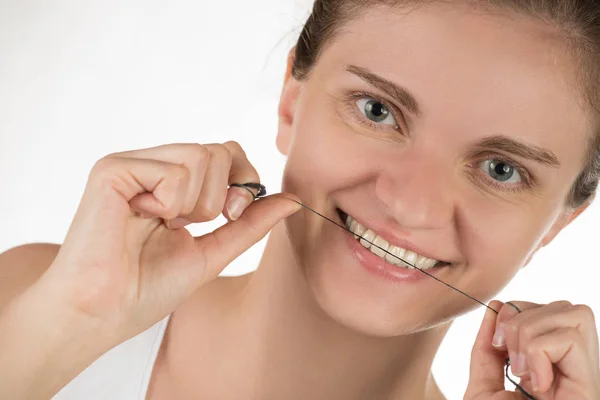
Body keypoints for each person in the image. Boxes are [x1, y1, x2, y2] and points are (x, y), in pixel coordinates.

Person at [1, 0, 600, 399]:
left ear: (557, 225)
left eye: (500, 169)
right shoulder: (32, 302)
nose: (413, 206)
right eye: (377, 111)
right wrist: (62, 330)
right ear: (291, 100)